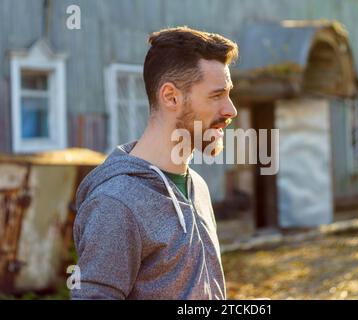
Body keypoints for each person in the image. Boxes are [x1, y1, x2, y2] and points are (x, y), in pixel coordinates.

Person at [71, 26, 238, 299]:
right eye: (217, 95)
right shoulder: (116, 204)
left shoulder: (198, 187)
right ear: (171, 96)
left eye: (228, 94)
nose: (231, 109)